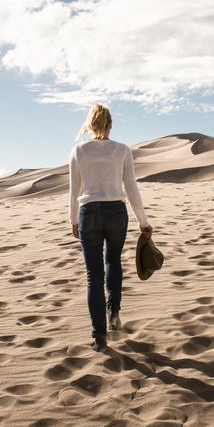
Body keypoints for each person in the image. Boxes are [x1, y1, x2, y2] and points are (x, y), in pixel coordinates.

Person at [69, 104, 153, 352]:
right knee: (113, 261)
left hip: (89, 213)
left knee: (93, 275)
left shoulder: (78, 151)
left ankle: (99, 336)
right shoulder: (122, 150)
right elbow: (131, 188)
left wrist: (73, 220)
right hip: (116, 212)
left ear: (90, 125)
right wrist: (143, 221)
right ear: (110, 125)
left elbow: (74, 191)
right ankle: (113, 312)